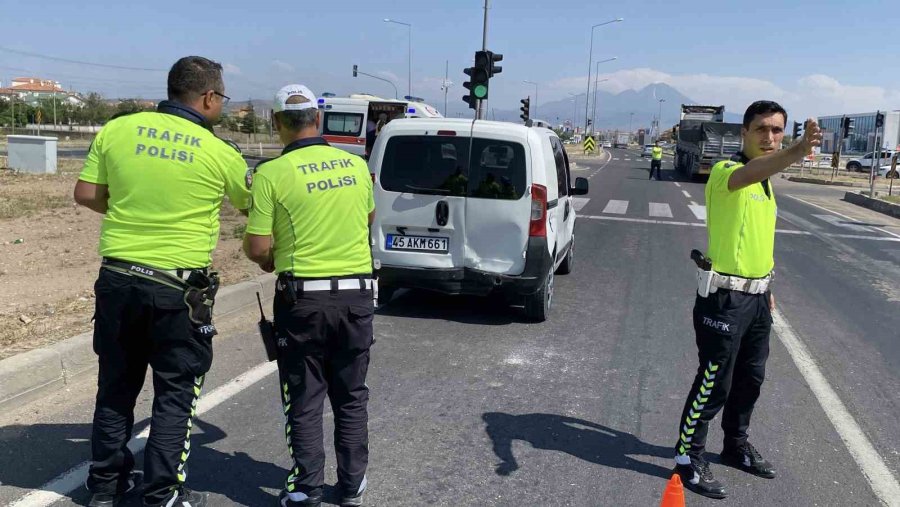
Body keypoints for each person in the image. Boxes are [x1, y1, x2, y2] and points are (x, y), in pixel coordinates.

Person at [74, 55, 250, 507]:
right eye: (222, 97)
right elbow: (251, 205)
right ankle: (161, 494)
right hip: (177, 290)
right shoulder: (220, 152)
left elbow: (87, 194)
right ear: (208, 97)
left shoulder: (118, 129)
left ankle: (104, 488)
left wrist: (130, 209)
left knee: (115, 387)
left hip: (117, 278)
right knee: (175, 392)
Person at [672, 100, 821, 499]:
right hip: (724, 299)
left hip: (756, 301)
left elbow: (756, 241)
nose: (770, 137)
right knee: (713, 382)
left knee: (750, 379)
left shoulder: (766, 184)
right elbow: (751, 171)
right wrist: (799, 149)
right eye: (761, 129)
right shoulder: (727, 171)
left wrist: (766, 289)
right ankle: (688, 458)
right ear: (744, 133)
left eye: (777, 130)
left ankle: (735, 445)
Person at [243, 84, 375, 507]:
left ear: (277, 122)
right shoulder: (356, 165)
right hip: (356, 296)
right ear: (317, 119)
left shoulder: (271, 174)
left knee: (304, 397)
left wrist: (272, 261)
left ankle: (306, 489)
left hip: (303, 301)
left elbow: (258, 248)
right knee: (351, 395)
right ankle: (352, 485)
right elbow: (368, 218)